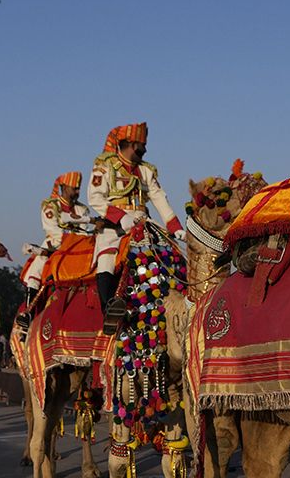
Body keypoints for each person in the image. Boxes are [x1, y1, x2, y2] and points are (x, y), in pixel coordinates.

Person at [87, 123, 181, 329]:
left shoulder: (145, 171)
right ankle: (109, 311)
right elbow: (94, 197)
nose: (145, 150)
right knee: (106, 260)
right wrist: (120, 217)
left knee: (171, 254)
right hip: (114, 227)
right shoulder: (105, 165)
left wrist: (175, 228)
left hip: (141, 221)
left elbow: (159, 198)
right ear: (129, 144)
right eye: (141, 145)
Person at [20, 171, 93, 320]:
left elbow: (85, 232)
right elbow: (54, 232)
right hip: (53, 246)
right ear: (65, 188)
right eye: (75, 188)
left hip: (78, 247)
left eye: (78, 188)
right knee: (35, 273)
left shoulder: (82, 209)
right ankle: (28, 314)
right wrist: (70, 239)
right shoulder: (50, 206)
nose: (78, 192)